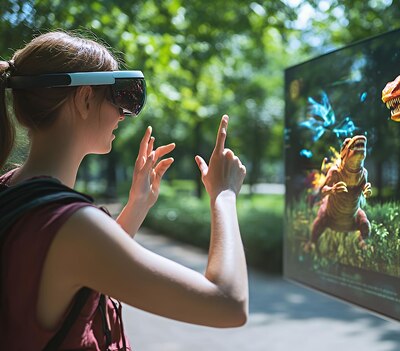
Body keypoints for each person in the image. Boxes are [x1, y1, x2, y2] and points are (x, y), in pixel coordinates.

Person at [0, 31, 248, 350]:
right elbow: (229, 304)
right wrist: (223, 196)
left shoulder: (12, 191)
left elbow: (76, 269)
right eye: (118, 97)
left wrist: (137, 205)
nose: (123, 114)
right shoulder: (71, 226)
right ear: (85, 99)